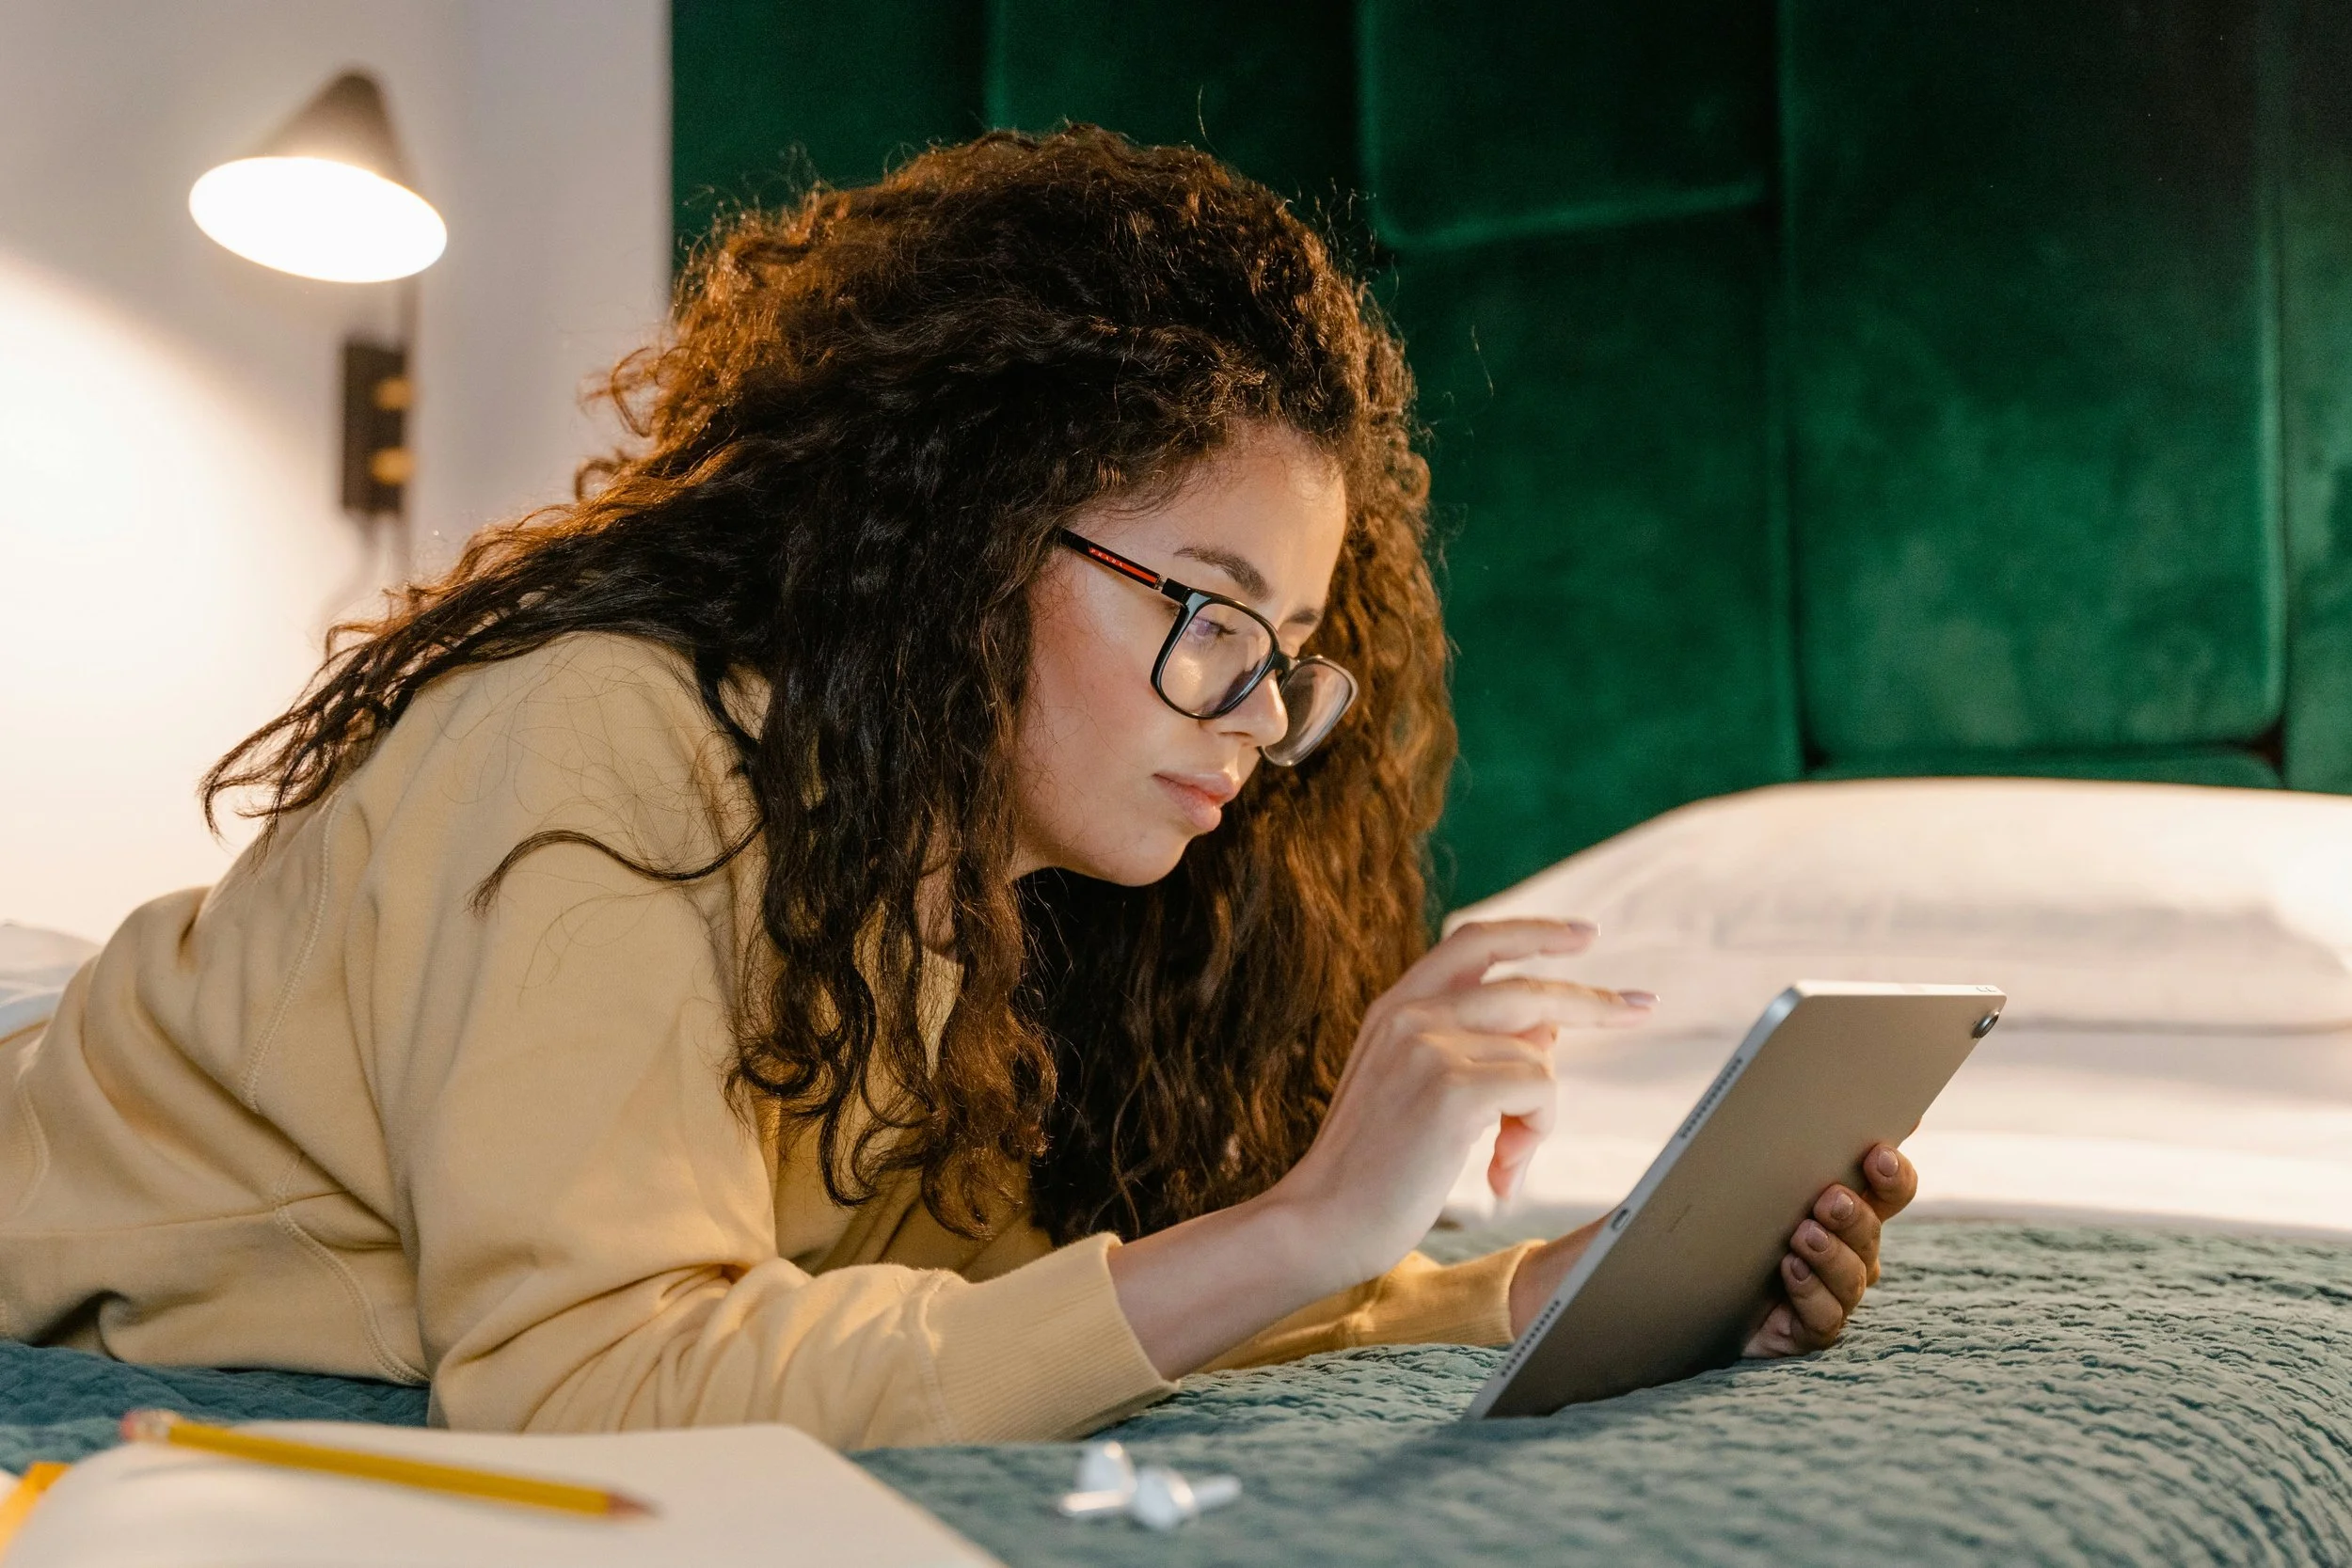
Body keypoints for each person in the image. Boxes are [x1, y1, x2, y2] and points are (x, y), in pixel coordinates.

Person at [0, 128, 1916, 1449]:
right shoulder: (595, 741)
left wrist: (1516, 1289)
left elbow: (970, 1292)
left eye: (1292, 656)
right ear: (965, 536)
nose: (1253, 716)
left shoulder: (940, 888)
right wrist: (1310, 1217)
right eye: (1206, 612)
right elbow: (581, 1370)